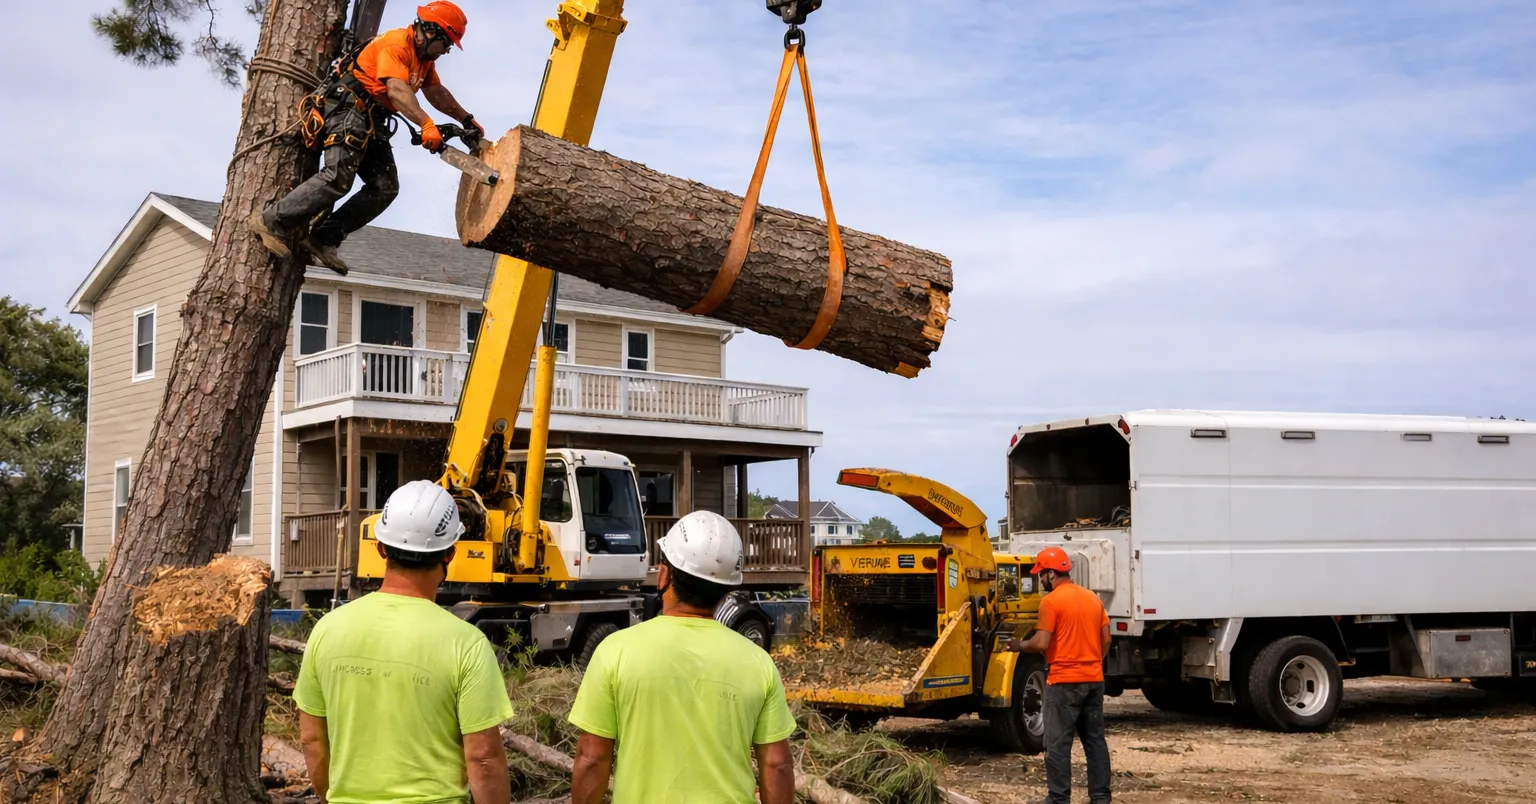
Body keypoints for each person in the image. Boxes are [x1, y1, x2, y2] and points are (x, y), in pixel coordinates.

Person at [293, 480, 514, 804]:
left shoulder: (328, 630)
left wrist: (331, 796)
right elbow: (482, 758)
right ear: (450, 553)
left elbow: (312, 738)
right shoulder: (466, 643)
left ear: (381, 548)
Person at [567, 511, 797, 804]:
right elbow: (777, 764)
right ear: (727, 589)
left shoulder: (616, 652)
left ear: (665, 574)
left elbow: (591, 759)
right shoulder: (758, 662)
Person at [249, 1, 484, 275]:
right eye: (446, 44)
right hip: (348, 109)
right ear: (431, 32)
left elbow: (435, 91)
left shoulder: (424, 60)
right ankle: (270, 221)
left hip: (372, 119)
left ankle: (323, 238)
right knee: (337, 176)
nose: (446, 51)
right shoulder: (397, 44)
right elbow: (396, 90)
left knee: (385, 187)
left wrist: (466, 119)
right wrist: (426, 124)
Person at [1010, 546, 1112, 804]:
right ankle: (1100, 798)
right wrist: (1093, 663)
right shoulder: (1092, 598)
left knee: (1057, 744)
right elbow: (1107, 639)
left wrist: (1018, 645)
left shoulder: (1051, 602)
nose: (1040, 580)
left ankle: (1058, 799)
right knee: (1095, 742)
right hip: (1094, 680)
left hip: (1063, 682)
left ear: (1052, 574)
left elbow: (1041, 643)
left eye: (1041, 574)